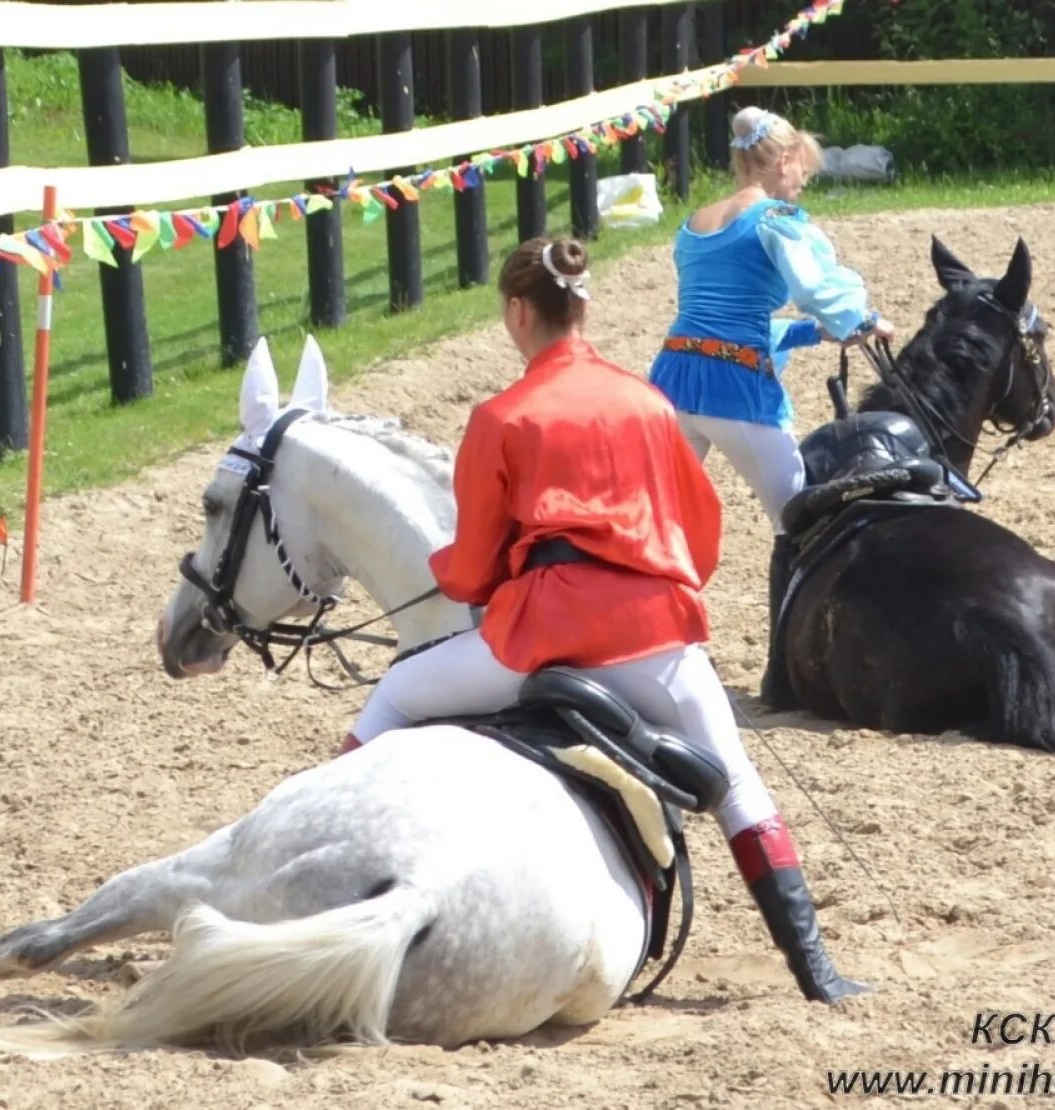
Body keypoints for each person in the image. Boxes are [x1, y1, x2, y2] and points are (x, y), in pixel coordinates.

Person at [341, 236, 867, 1005]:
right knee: (739, 788)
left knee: (394, 696)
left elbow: (478, 564)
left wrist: (450, 574)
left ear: (519, 312)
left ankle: (322, 857)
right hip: (653, 639)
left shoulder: (502, 416)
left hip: (538, 639)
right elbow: (702, 527)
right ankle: (817, 972)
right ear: (583, 306)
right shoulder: (650, 403)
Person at [648, 106, 896, 710]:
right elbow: (818, 286)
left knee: (661, 523)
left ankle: (640, 642)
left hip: (675, 383)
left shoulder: (696, 224)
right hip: (737, 392)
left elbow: (720, 324)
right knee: (801, 523)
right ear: (782, 160)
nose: (803, 181)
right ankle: (791, 660)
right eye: (801, 169)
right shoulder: (778, 218)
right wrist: (858, 320)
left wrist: (814, 335)